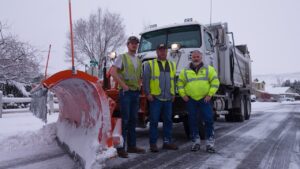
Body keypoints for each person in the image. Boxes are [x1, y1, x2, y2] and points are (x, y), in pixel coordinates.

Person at [177, 50, 220, 153]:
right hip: (191, 100)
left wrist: (210, 94)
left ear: (201, 57)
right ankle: (196, 142)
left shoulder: (209, 69)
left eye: (198, 57)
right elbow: (179, 84)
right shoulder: (185, 71)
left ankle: (210, 144)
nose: (196, 58)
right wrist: (183, 95)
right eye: (194, 57)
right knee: (193, 121)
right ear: (191, 58)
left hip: (205, 99)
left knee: (209, 121)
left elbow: (215, 82)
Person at [110, 36, 145, 158]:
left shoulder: (138, 60)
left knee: (133, 120)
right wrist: (123, 85)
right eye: (132, 43)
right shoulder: (122, 57)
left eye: (136, 43)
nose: (134, 45)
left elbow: (140, 75)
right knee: (125, 120)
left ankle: (132, 146)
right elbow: (113, 72)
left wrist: (139, 84)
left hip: (135, 93)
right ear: (128, 45)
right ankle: (121, 148)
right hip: (126, 93)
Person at [143, 43, 178, 152]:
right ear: (157, 52)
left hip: (168, 98)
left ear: (167, 52)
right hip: (156, 98)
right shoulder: (150, 64)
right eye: (160, 50)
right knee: (154, 121)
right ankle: (153, 144)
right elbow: (145, 80)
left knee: (168, 121)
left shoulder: (172, 65)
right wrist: (148, 93)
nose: (162, 52)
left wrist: (173, 93)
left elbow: (174, 80)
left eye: (164, 50)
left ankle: (167, 142)